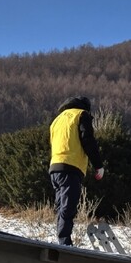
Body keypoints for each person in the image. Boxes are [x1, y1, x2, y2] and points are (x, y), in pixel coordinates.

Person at [48, 95, 104, 246]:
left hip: (55, 167)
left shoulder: (57, 120)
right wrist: (98, 165)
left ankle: (62, 240)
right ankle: (64, 243)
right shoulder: (81, 115)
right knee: (68, 206)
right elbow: (88, 140)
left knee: (61, 207)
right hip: (71, 167)